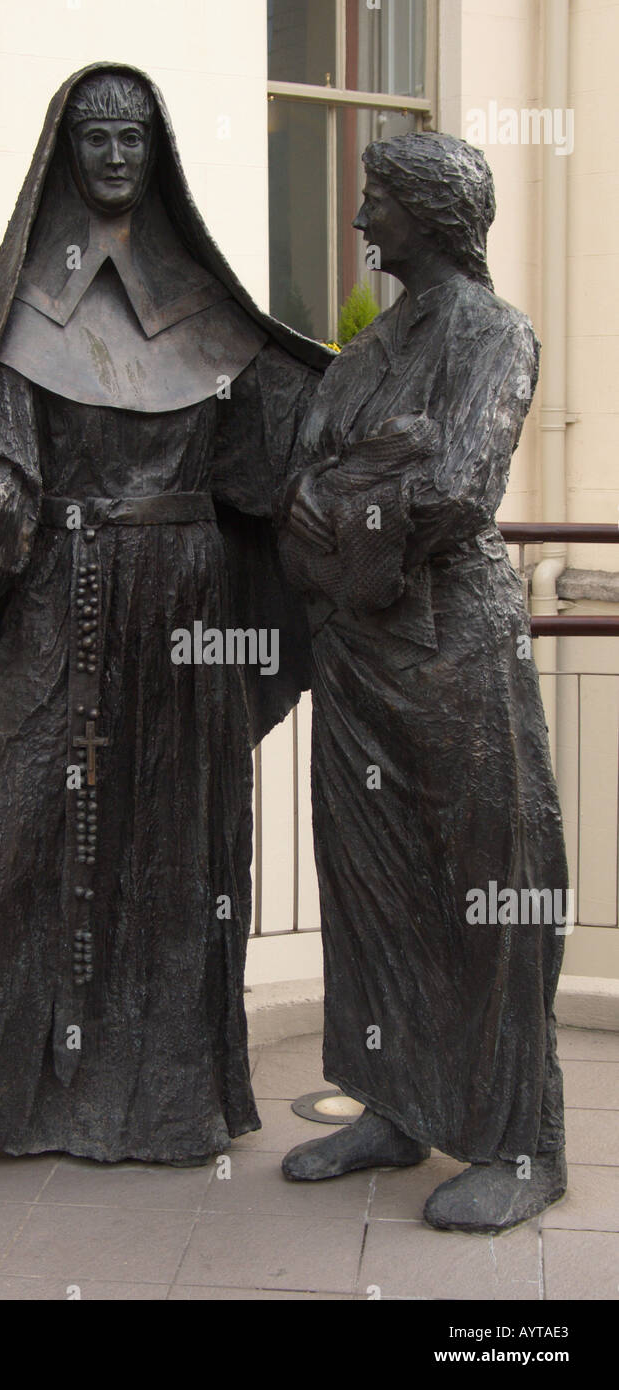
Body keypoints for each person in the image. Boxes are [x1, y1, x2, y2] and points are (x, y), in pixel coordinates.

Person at [0, 63, 329, 1227]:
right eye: (94, 134)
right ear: (66, 150)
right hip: (62, 600)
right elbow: (0, 459)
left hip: (186, 618)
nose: (113, 151)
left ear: (158, 153)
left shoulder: (209, 315)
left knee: (176, 866)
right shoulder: (29, 309)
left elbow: (285, 454)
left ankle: (164, 1106)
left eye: (132, 134)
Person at [278, 133, 568, 1234]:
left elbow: (455, 488)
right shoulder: (356, 362)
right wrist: (365, 476)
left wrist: (353, 494)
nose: (359, 224)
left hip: (450, 644)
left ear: (433, 215)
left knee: (488, 886)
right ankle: (389, 1105)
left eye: (377, 204)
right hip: (355, 649)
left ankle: (518, 1142)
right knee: (367, 880)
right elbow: (294, 489)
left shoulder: (494, 335)